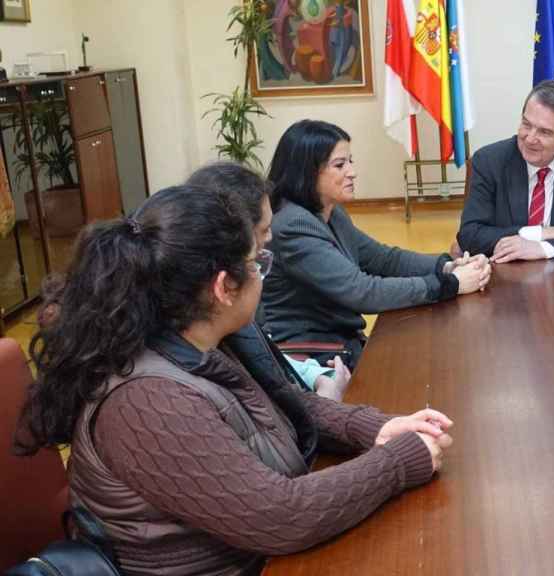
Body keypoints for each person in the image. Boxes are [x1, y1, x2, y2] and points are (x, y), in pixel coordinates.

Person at [16, 186, 454, 575]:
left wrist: (374, 427)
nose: (262, 273)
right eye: (257, 262)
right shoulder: (148, 400)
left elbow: (282, 403)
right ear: (224, 287)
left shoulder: (194, 337)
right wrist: (398, 462)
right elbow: (281, 517)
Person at [262, 120, 491, 367]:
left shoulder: (331, 212)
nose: (352, 171)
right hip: (313, 358)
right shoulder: (293, 225)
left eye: (351, 161)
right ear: (307, 172)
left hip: (340, 345)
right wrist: (450, 284)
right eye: (340, 165)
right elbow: (362, 291)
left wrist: (448, 265)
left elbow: (383, 259)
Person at [186, 161, 350, 401]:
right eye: (264, 228)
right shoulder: (224, 314)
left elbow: (265, 358)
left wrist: (315, 375)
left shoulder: (231, 319)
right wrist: (328, 399)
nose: (271, 235)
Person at [456, 79, 554, 262]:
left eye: (544, 132)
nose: (530, 138)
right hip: (504, 277)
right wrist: (546, 233)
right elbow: (470, 235)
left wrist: (545, 248)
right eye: (526, 124)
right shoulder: (489, 161)